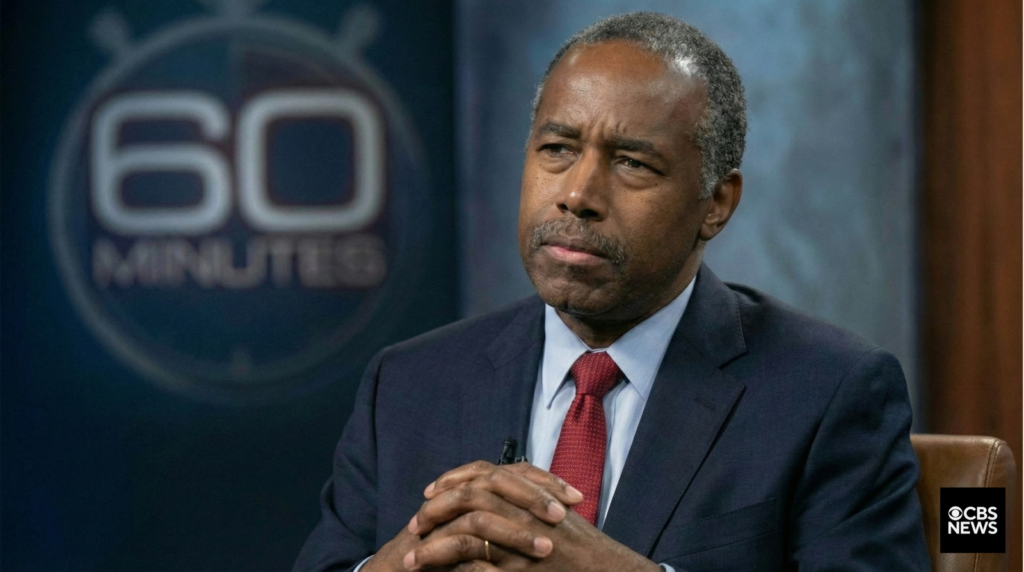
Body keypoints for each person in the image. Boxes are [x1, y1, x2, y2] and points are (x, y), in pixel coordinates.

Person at [294, 12, 930, 572]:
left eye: (632, 163)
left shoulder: (828, 394)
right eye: (557, 149)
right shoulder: (408, 386)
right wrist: (406, 562)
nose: (578, 194)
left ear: (716, 203)